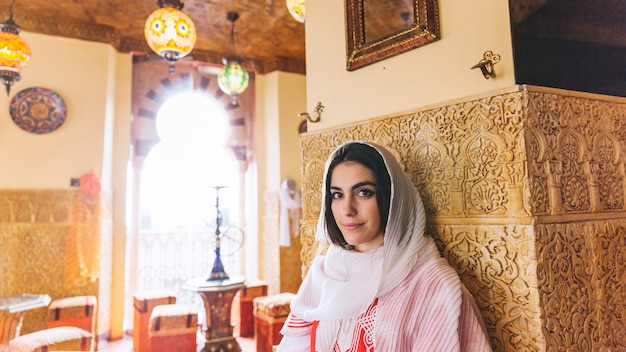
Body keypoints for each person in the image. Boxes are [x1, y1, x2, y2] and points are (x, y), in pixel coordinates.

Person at [276, 141, 491, 352]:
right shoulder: (324, 274)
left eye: (363, 192)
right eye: (337, 195)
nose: (347, 209)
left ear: (390, 198)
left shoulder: (433, 286)